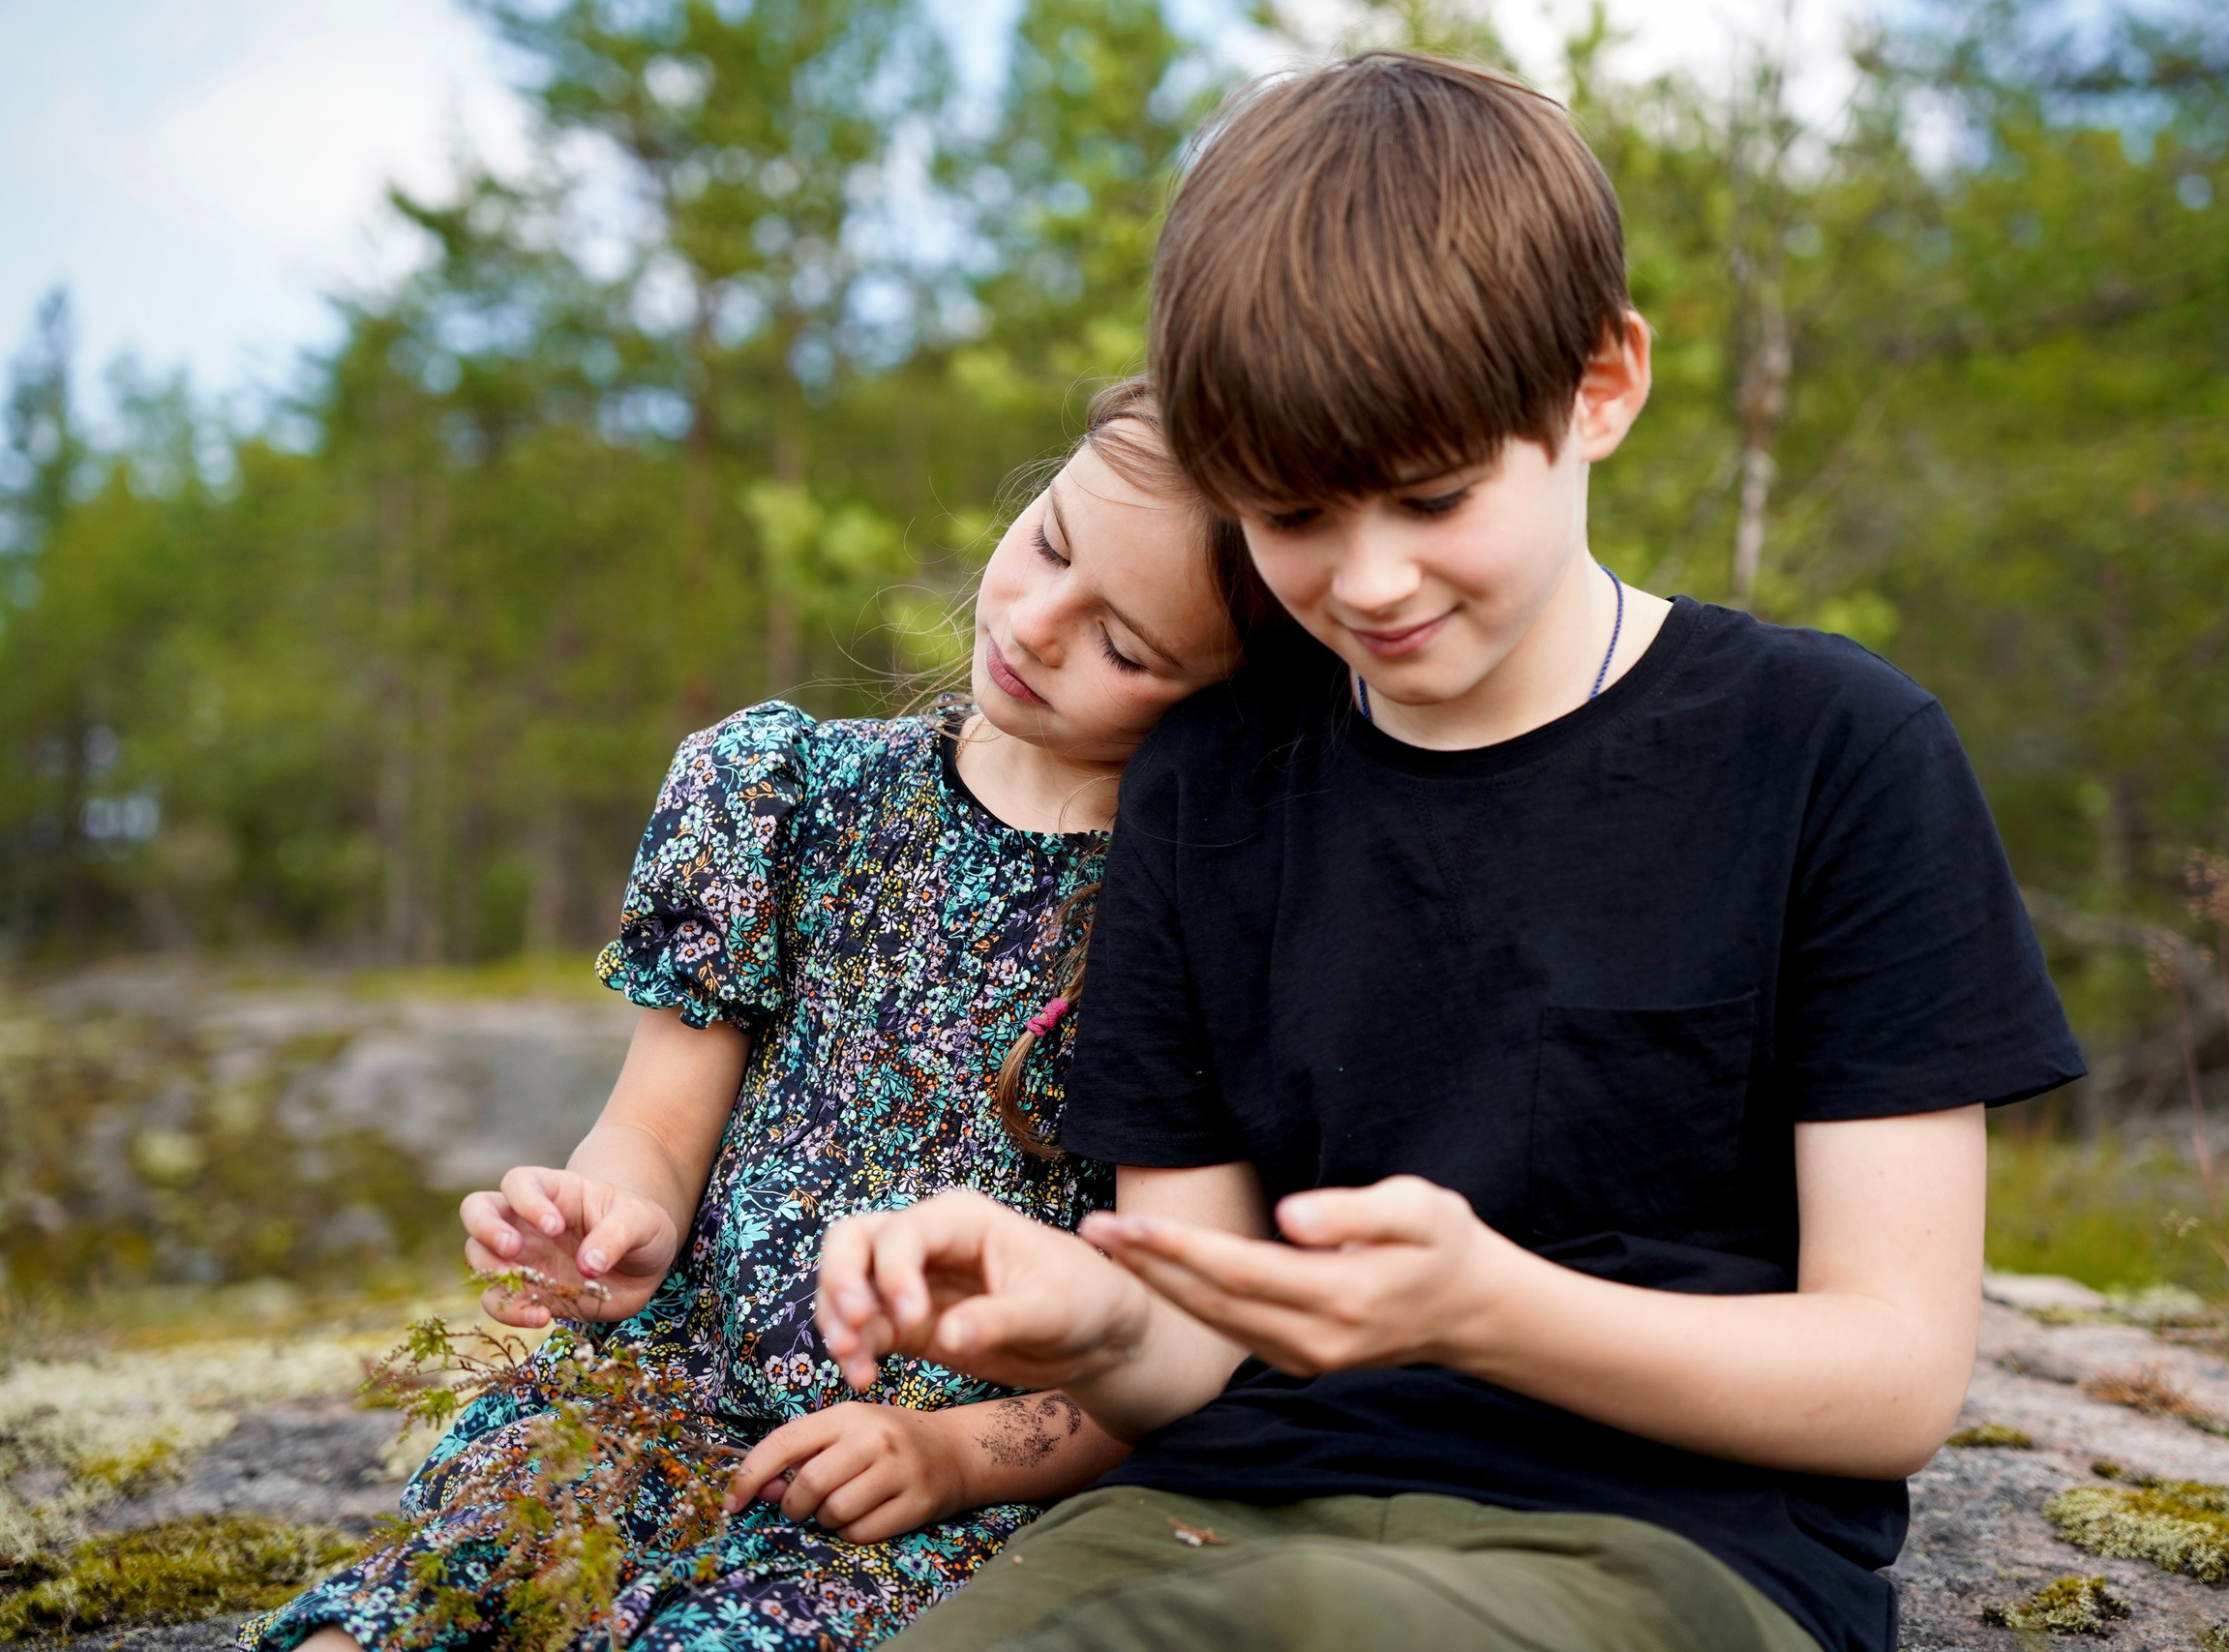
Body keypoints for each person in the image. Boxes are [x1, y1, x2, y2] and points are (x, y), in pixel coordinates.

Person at [810, 52, 2086, 1652]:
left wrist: (1488, 1313)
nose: (1370, 581)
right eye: (1290, 517)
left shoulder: (1833, 752)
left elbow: (1888, 1382)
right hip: (1209, 1514)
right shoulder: (1210, 785)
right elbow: (1194, 1341)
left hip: (1664, 1553)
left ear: (1600, 387)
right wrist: (1077, 1312)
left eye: (1432, 496)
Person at [242, 377, 1287, 1652]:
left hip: (917, 1481)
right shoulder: (787, 797)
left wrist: (953, 1456)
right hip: (670, 1387)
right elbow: (656, 1132)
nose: (1036, 619)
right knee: (478, 1561)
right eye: (1050, 541)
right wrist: (612, 1218)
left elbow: (1173, 1340)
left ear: (1233, 693)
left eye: (1128, 645)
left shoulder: (1190, 914)